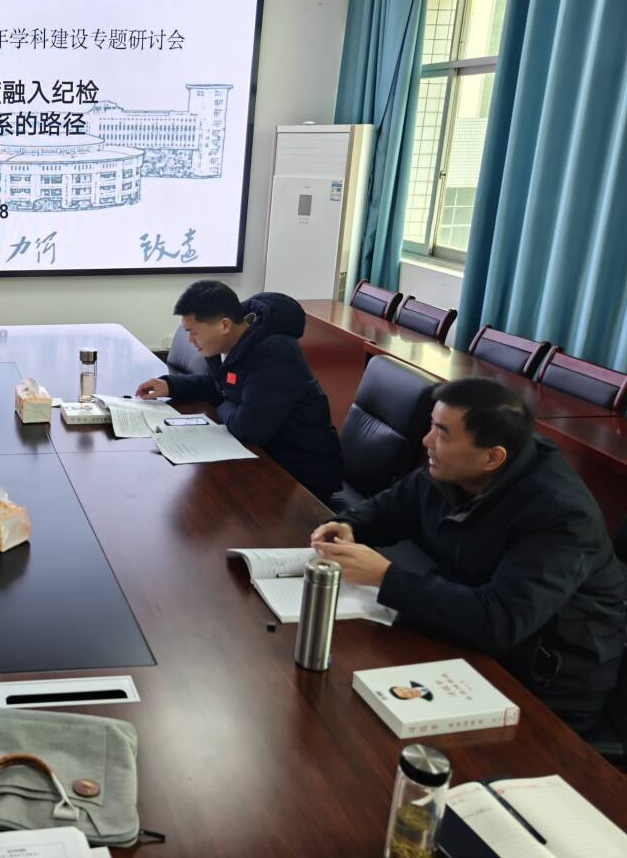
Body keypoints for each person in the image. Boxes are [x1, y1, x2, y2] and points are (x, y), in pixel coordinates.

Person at [310, 378, 626, 734]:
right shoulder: (456, 468)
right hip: (469, 637)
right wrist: (348, 525)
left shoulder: (561, 515)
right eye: (431, 425)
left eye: (442, 434)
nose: (426, 441)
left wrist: (385, 577)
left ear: (492, 457)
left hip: (542, 687)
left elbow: (499, 621)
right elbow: (393, 508)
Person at [136, 281, 343, 501]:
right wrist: (170, 385)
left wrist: (221, 400)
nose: (190, 340)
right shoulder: (230, 344)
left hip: (301, 477)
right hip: (263, 456)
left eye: (193, 332)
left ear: (224, 326)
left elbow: (248, 428)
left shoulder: (275, 353)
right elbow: (217, 386)